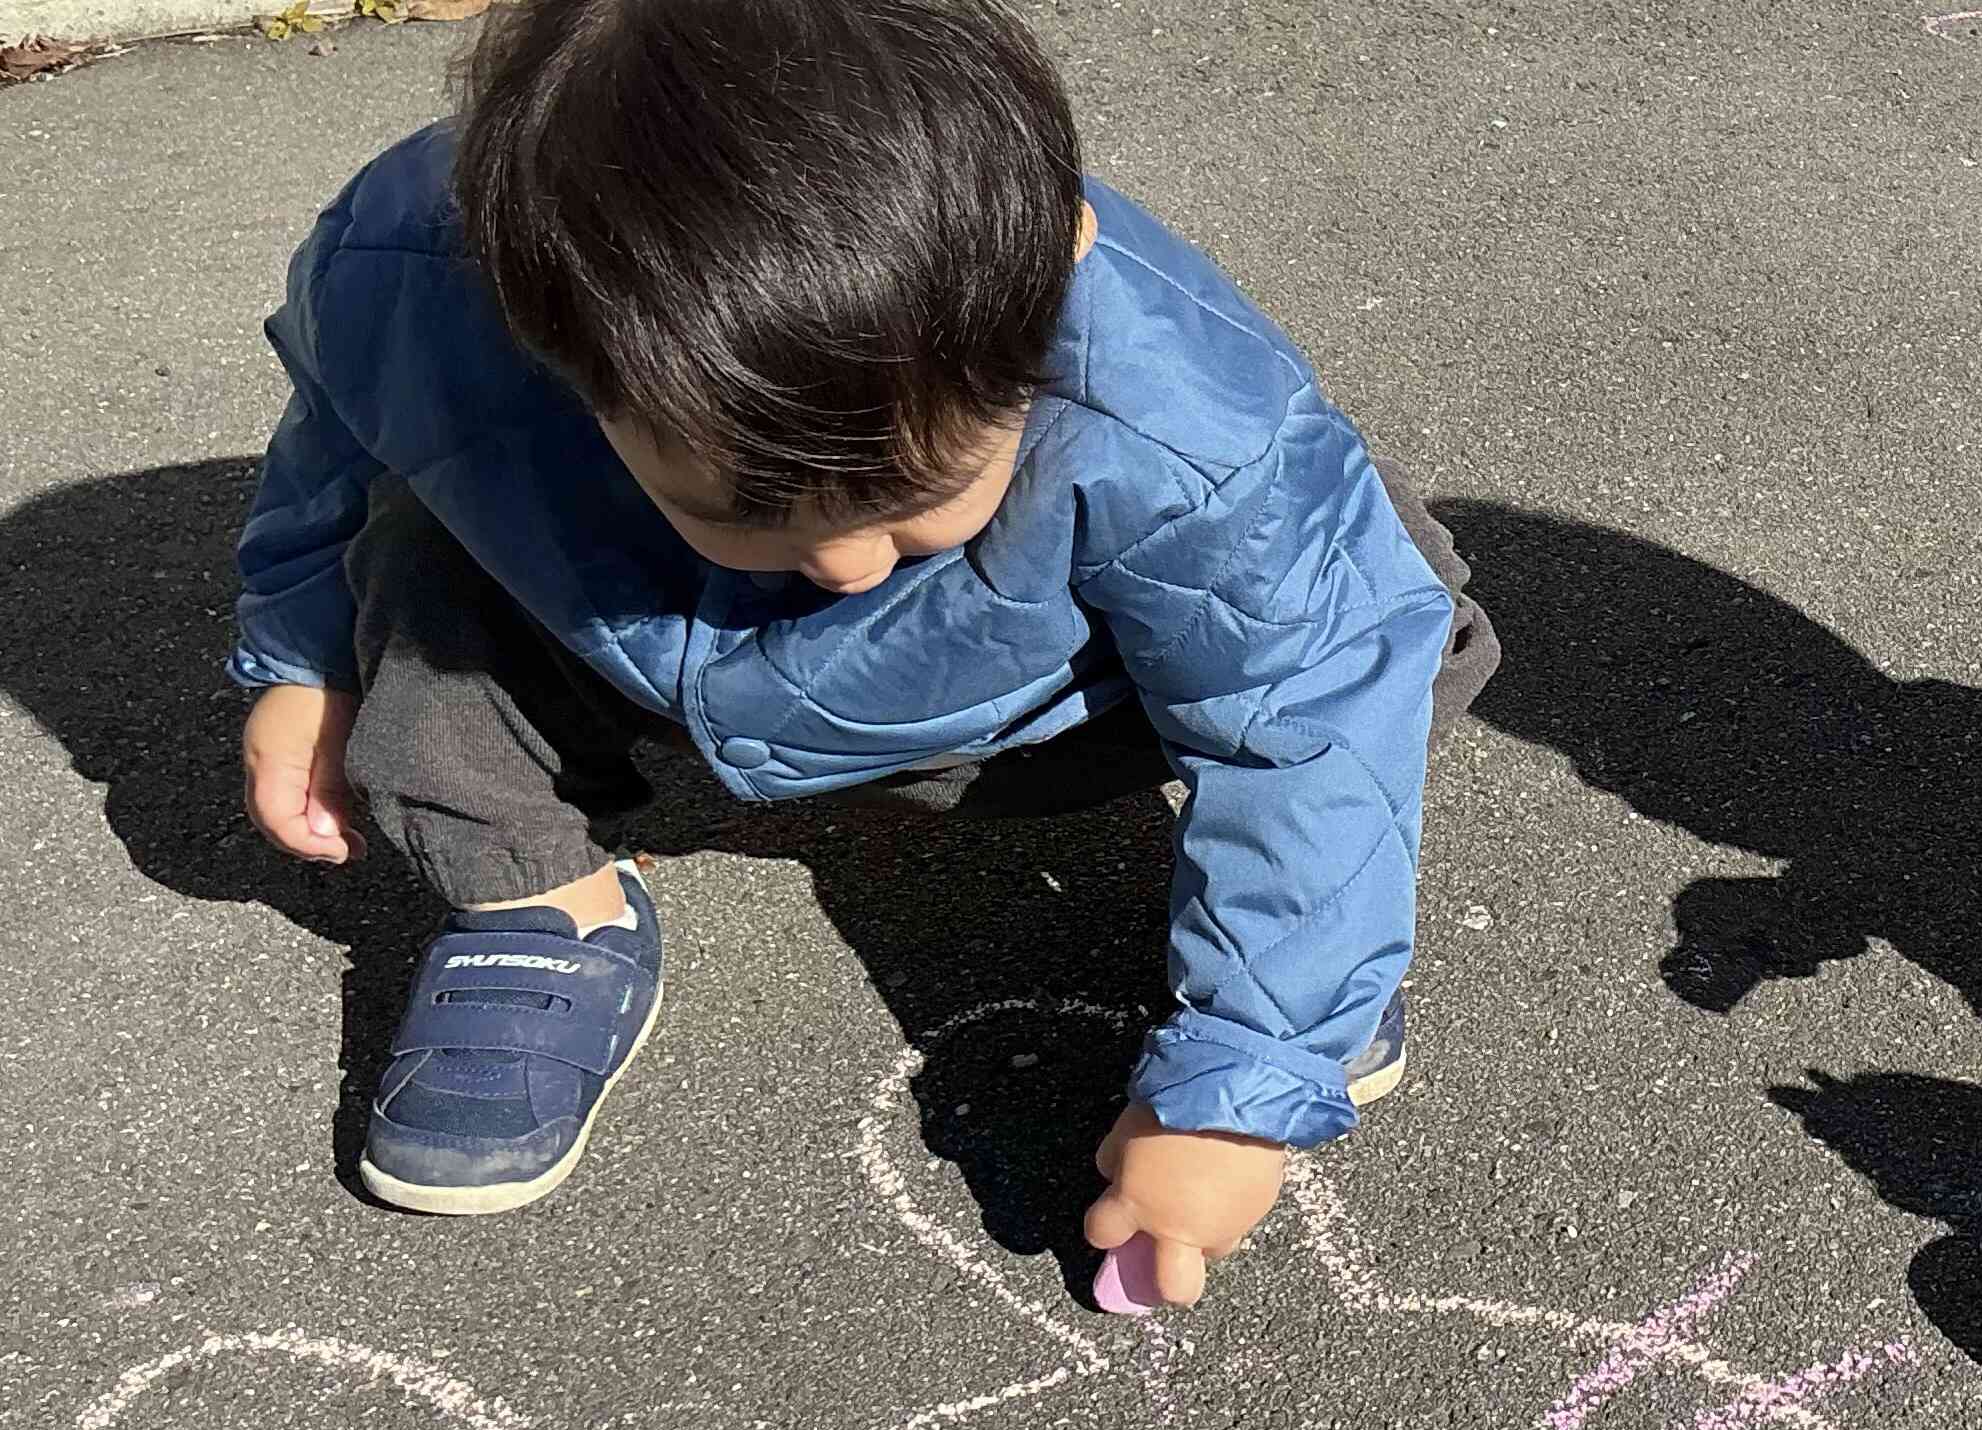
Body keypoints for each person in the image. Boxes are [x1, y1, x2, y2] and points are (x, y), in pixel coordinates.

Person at [234, 0, 1499, 1302]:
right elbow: (335, 442)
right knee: (421, 553)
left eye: (913, 500)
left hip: (1033, 707)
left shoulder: (1179, 426)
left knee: (1354, 610)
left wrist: (1244, 1078)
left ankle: (1275, 969)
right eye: (753, 507)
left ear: (1053, 276)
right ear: (548, 334)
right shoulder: (415, 272)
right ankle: (533, 902)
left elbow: (1309, 719)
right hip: (632, 639)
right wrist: (304, 654)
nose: (844, 564)